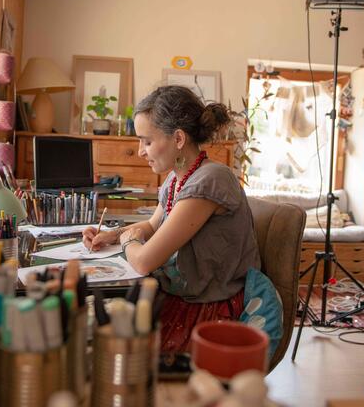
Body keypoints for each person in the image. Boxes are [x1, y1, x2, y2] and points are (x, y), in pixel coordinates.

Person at [82, 85, 260, 352]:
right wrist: (114, 235)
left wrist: (128, 240)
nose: (141, 151)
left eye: (147, 141)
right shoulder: (176, 179)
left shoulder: (210, 181)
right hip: (184, 297)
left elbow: (143, 261)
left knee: (112, 346)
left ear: (178, 139)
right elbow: (153, 226)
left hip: (209, 309)